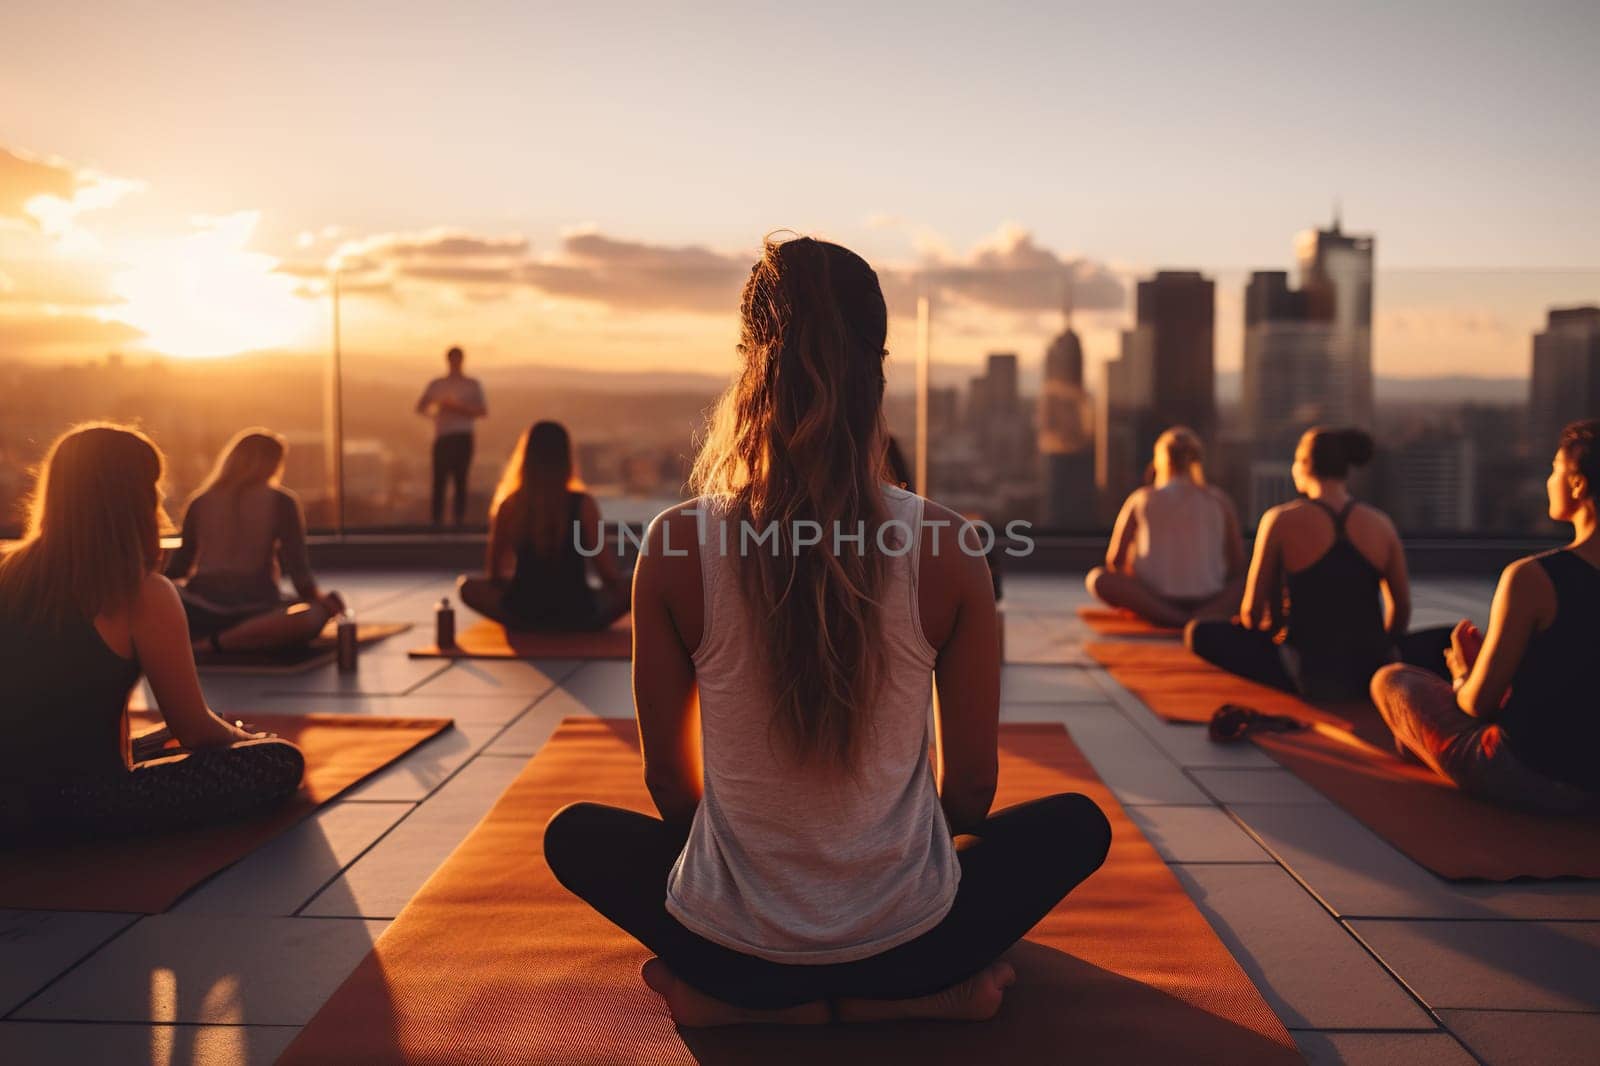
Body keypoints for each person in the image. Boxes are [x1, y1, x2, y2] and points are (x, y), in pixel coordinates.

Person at [543, 236, 1111, 1028]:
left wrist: (749, 881)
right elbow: (973, 789)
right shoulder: (951, 547)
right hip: (916, 939)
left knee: (574, 836)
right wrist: (883, 884)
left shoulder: (675, 545)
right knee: (1076, 828)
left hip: (734, 951)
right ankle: (916, 994)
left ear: (749, 362)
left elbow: (670, 787)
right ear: (876, 366)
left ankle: (741, 999)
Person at [0, 424, 303, 841]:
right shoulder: (139, 591)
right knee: (280, 761)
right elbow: (195, 728)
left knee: (156, 740)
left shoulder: (6, 572)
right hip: (76, 806)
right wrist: (243, 740)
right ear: (135, 498)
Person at [1369, 421, 1600, 813]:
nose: (1550, 480)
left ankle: (1424, 745)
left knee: (1393, 680)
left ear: (1577, 485)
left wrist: (1463, 674)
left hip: (1535, 776)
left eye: (1555, 468)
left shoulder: (1532, 578)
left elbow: (1477, 705)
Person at [1186, 427, 1451, 702]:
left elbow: (1251, 612)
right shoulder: (1381, 524)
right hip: (1370, 672)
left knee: (1199, 633)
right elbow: (1401, 609)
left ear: (1302, 466)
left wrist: (1268, 629)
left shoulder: (1279, 520)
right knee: (1452, 638)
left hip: (1305, 674)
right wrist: (1383, 650)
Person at [165, 429, 345, 656]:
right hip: (259, 610)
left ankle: (206, 640)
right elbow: (301, 577)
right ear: (273, 463)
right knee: (313, 614)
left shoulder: (199, 501)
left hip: (200, 609)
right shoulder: (282, 502)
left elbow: (179, 568)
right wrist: (325, 603)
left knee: (171, 601)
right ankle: (219, 643)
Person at [457, 421, 629, 631]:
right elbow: (607, 573)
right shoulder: (583, 504)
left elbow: (494, 573)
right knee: (639, 582)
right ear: (567, 458)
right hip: (579, 614)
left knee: (466, 587)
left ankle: (533, 620)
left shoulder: (510, 504)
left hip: (522, 612)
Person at [1086, 427, 1246, 627]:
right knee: (1251, 582)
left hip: (1155, 600)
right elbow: (1237, 565)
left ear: (1158, 461)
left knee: (1098, 578)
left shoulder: (1141, 499)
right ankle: (1197, 619)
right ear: (1197, 460)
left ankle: (1174, 619)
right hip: (1210, 600)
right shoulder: (1220, 501)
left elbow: (1114, 560)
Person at [415, 346, 487, 528]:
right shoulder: (438, 384)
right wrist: (437, 413)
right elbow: (421, 407)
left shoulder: (471, 384)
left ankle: (458, 521)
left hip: (461, 436)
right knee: (440, 480)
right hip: (445, 436)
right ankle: (437, 521)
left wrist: (457, 408)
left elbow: (482, 411)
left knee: (460, 479)